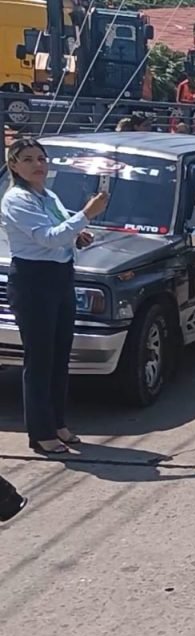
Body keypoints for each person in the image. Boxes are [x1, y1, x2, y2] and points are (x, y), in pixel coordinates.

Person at [0, 138, 109, 454]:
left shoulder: (47, 195)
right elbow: (47, 238)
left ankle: (58, 422)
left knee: (60, 356)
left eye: (41, 158)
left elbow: (63, 229)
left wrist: (79, 233)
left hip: (60, 277)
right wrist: (87, 215)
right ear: (14, 166)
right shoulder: (16, 199)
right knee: (39, 359)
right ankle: (40, 432)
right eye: (28, 159)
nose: (38, 165)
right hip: (34, 280)